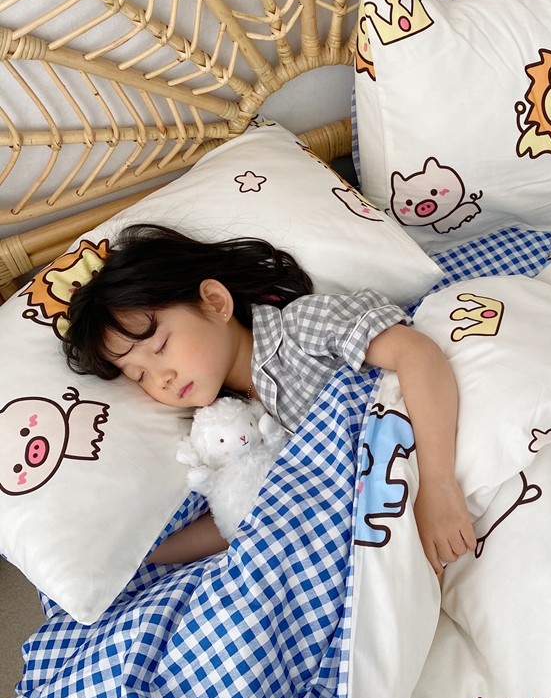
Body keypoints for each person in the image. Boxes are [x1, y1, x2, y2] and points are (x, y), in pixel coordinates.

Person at [63, 223, 475, 575]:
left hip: (442, 455)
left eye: (160, 347)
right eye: (139, 375)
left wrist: (438, 485)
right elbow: (243, 511)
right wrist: (138, 556)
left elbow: (415, 353)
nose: (161, 378)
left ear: (215, 303)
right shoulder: (225, 424)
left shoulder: (299, 329)